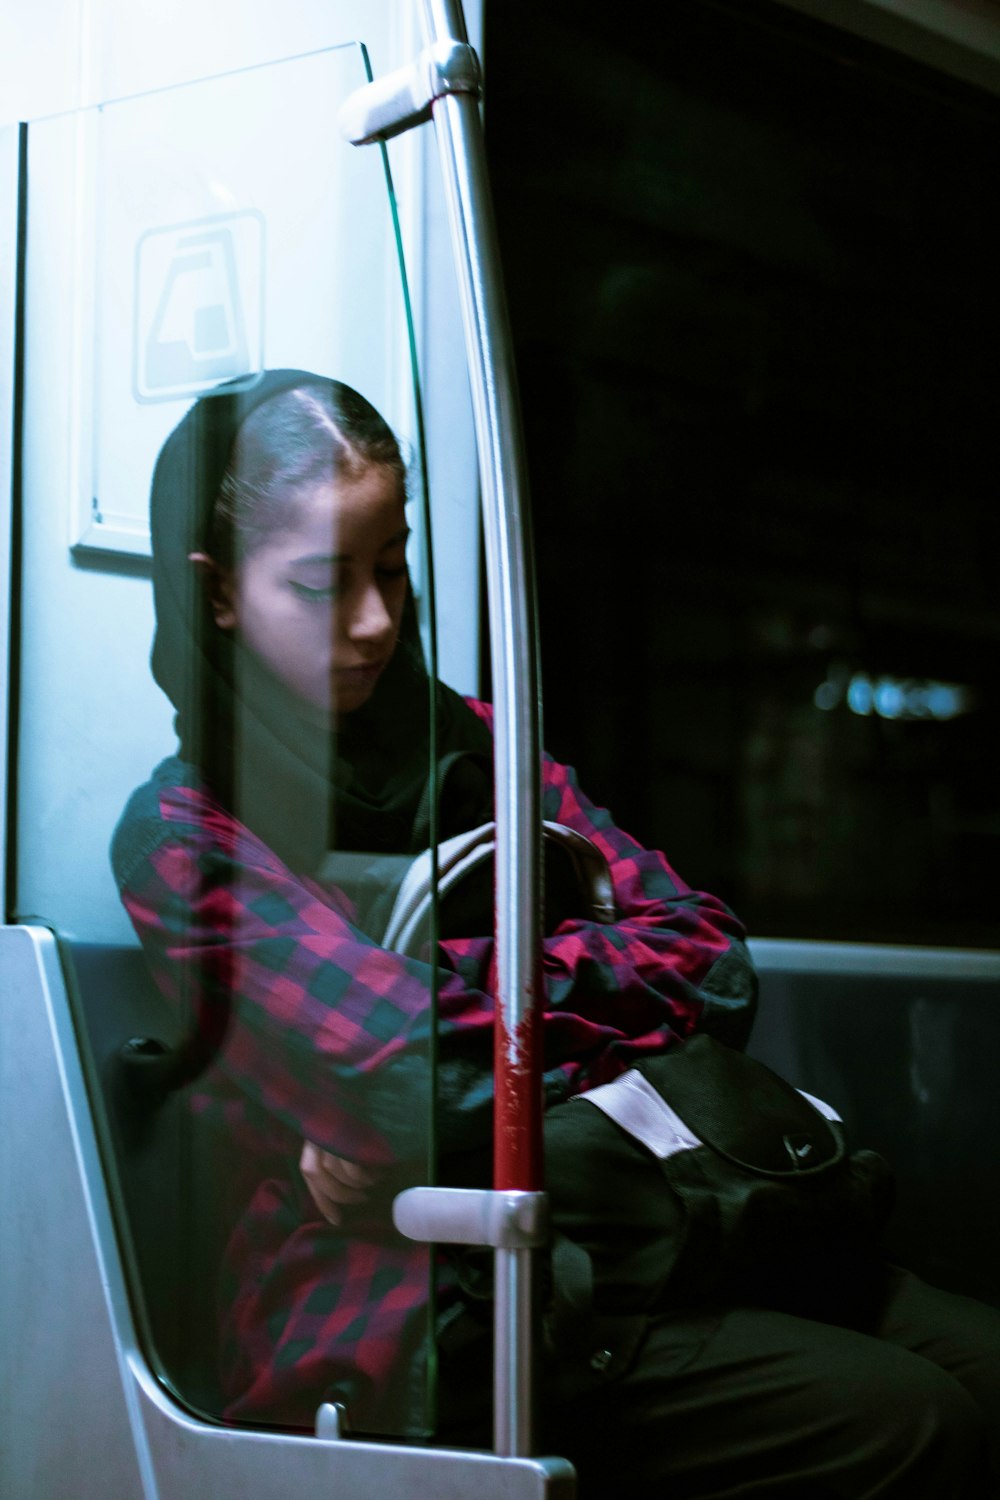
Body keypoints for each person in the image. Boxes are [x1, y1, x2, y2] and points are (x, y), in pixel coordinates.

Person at [113, 370, 998, 1497]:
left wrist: (458, 996)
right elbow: (413, 1082)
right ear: (220, 593)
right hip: (420, 1299)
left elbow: (709, 955)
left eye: (394, 570)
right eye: (326, 585)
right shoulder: (189, 835)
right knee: (909, 1424)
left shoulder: (480, 741)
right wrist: (579, 1013)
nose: (380, 621)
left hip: (648, 1220)